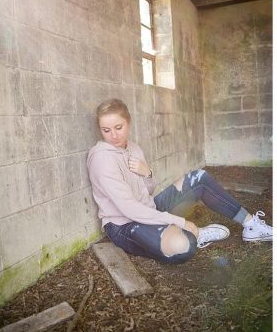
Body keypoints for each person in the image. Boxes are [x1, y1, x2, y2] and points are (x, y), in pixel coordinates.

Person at [87, 98, 272, 263]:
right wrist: (182, 222)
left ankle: (251, 225)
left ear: (128, 123)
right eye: (106, 130)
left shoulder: (134, 148)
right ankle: (197, 234)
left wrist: (148, 173)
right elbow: (130, 209)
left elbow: (147, 192)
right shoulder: (102, 159)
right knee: (183, 246)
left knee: (199, 177)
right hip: (124, 225)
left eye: (118, 127)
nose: (114, 135)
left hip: (148, 209)